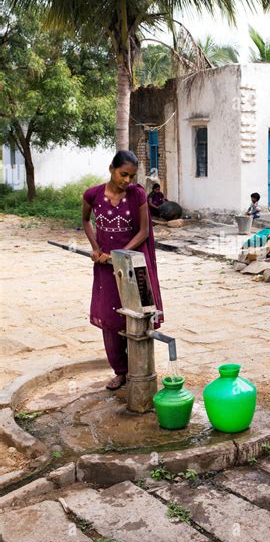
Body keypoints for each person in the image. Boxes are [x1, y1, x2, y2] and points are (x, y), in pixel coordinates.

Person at [82, 151, 164, 390]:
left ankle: (141, 369)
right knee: (110, 317)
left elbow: (144, 232)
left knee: (137, 315)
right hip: (106, 268)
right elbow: (86, 221)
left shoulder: (137, 194)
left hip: (134, 264)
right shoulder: (92, 194)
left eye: (131, 175)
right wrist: (96, 248)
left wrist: (120, 255)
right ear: (111, 169)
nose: (127, 180)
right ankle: (120, 371)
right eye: (123, 174)